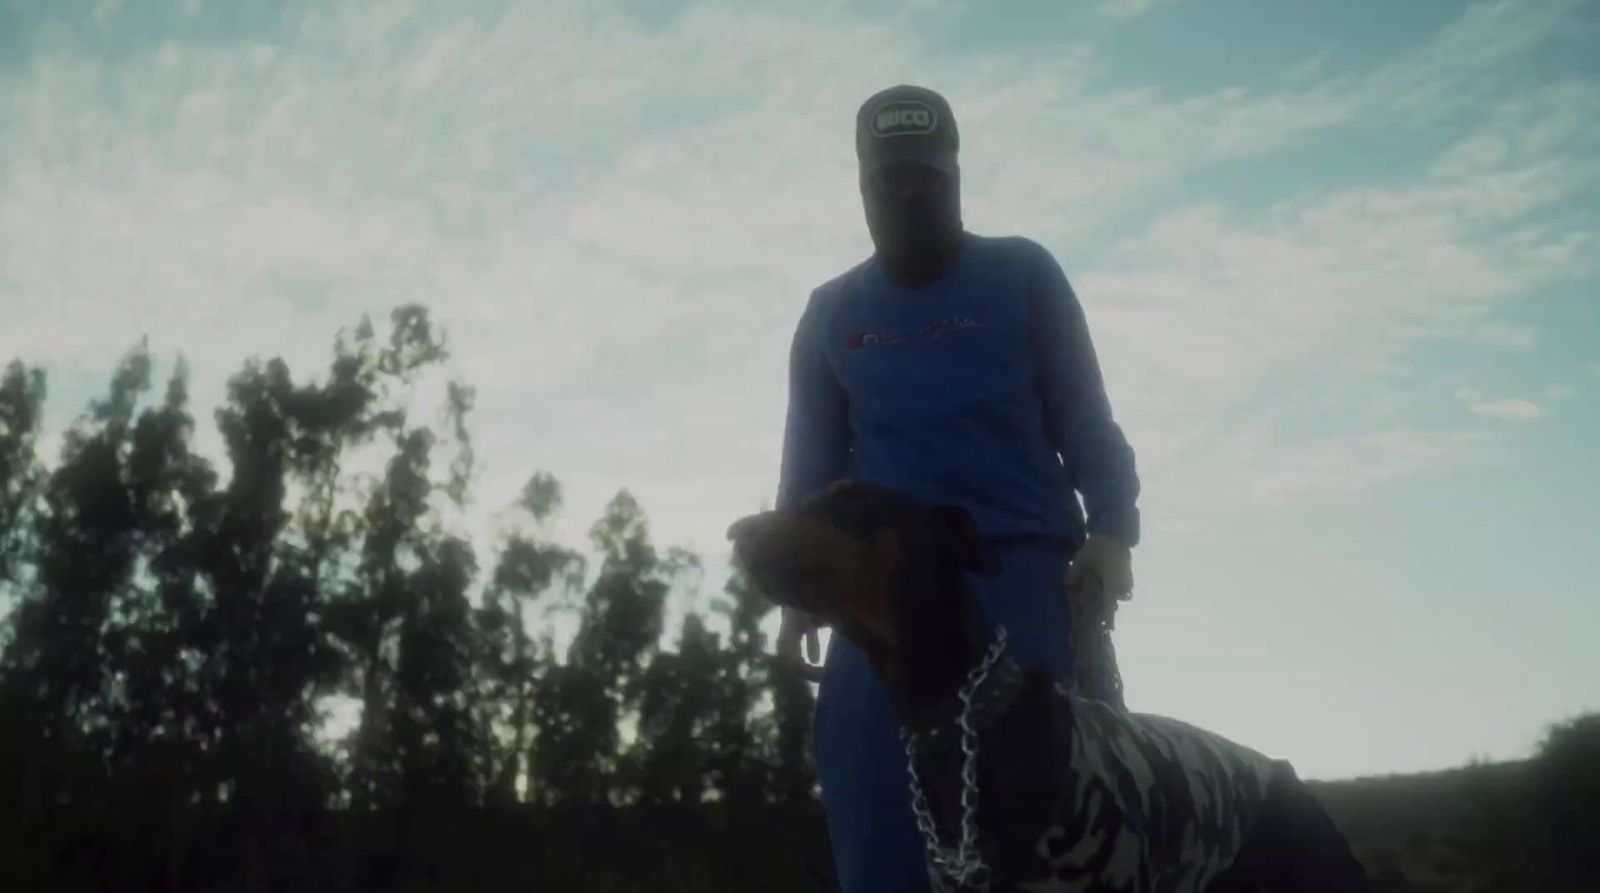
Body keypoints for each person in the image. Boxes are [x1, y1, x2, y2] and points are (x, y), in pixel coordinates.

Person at [773, 84, 1142, 893]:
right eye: (891, 181)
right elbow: (809, 471)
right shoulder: (831, 314)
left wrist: (1113, 533)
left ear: (957, 177)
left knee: (1056, 843)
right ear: (863, 187)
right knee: (881, 842)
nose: (911, 195)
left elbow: (1088, 425)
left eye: (929, 181)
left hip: (1032, 591)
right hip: (886, 604)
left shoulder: (1024, 275)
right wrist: (801, 595)